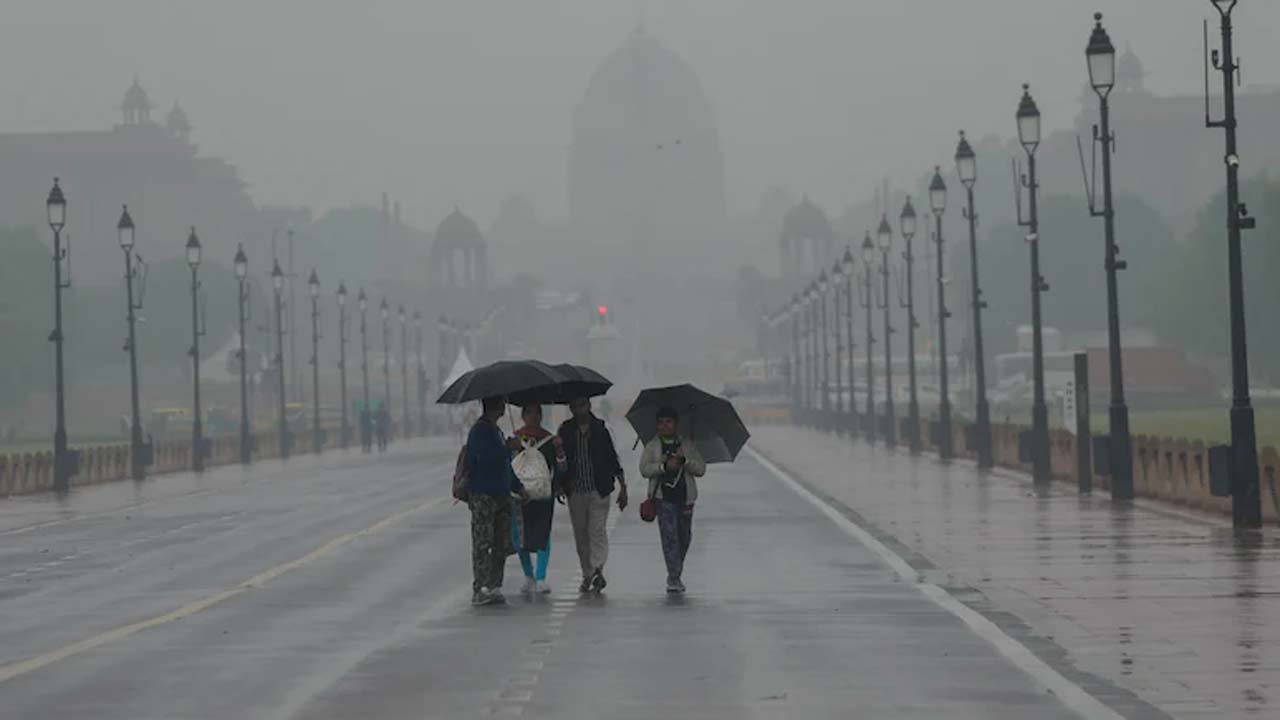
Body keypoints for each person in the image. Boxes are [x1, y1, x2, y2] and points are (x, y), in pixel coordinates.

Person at [558, 397, 627, 593]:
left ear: (589, 405)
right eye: (575, 406)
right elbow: (560, 462)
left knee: (597, 530)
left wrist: (623, 485)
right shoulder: (565, 431)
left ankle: (597, 569)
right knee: (581, 535)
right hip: (576, 491)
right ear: (570, 408)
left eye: (582, 405)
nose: (578, 409)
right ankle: (587, 574)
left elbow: (612, 458)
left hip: (599, 488)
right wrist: (560, 483)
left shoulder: (600, 430)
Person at [467, 395, 528, 606]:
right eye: (501, 403)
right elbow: (483, 460)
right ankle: (480, 588)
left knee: (501, 544)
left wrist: (518, 487)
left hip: (502, 496)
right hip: (484, 496)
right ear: (495, 406)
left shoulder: (496, 431)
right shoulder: (479, 431)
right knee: (483, 543)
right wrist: (507, 447)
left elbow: (505, 466)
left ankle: (494, 586)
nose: (504, 406)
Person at [639, 405, 706, 594]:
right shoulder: (652, 446)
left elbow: (701, 469)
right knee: (669, 538)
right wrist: (663, 466)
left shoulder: (687, 444)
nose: (664, 426)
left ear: (676, 424)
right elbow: (644, 469)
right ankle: (674, 577)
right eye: (660, 422)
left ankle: (676, 569)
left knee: (684, 537)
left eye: (668, 422)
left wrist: (685, 461)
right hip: (663, 499)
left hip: (685, 499)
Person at [511, 404, 566, 595]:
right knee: (519, 535)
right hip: (520, 495)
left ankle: (541, 577)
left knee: (543, 533)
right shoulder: (515, 438)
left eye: (536, 413)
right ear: (523, 415)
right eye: (529, 412)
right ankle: (529, 576)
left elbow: (559, 468)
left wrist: (559, 452)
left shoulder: (550, 440)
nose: (533, 416)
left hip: (543, 495)